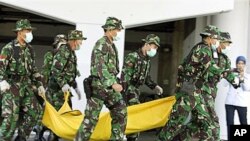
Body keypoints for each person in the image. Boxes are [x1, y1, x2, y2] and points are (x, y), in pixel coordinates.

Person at [157, 26, 241, 141]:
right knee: (177, 120)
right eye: (216, 39)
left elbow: (182, 67)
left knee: (204, 122)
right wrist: (230, 76)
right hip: (191, 90)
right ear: (211, 38)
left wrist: (180, 84)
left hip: (195, 91)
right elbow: (211, 68)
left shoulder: (206, 50)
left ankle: (178, 138)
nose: (217, 42)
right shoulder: (204, 49)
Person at [77, 17, 127, 141]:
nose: (118, 32)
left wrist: (114, 82)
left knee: (121, 112)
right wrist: (112, 83)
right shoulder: (102, 44)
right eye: (117, 30)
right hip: (99, 87)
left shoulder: (111, 45)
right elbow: (100, 66)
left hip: (109, 88)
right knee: (90, 121)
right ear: (110, 29)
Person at [0, 19, 45, 141]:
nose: (30, 33)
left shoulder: (30, 49)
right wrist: (2, 81)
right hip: (12, 87)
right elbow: (1, 67)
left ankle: (21, 138)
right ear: (19, 32)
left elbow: (33, 69)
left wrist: (39, 84)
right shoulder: (8, 49)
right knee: (11, 119)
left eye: (30, 30)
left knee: (35, 112)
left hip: (26, 86)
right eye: (28, 30)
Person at [120, 34, 163, 141]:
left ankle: (131, 137)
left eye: (156, 48)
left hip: (135, 91)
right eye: (154, 47)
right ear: (147, 44)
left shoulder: (146, 60)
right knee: (135, 116)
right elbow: (125, 77)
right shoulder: (133, 56)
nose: (155, 50)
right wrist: (124, 95)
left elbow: (146, 78)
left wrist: (155, 86)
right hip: (128, 90)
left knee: (133, 117)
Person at [46, 30, 85, 141]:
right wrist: (63, 84)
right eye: (80, 40)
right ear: (74, 40)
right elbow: (55, 70)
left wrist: (75, 86)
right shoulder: (64, 51)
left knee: (65, 119)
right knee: (60, 120)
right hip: (57, 92)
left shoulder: (71, 53)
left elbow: (69, 73)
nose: (81, 42)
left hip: (64, 93)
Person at [225, 56, 250, 140]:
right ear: (236, 64)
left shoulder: (247, 76)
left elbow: (247, 88)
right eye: (239, 63)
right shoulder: (232, 74)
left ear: (245, 65)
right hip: (230, 102)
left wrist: (242, 77)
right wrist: (228, 72)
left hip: (241, 103)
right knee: (230, 123)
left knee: (243, 123)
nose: (240, 65)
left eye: (242, 63)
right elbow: (224, 84)